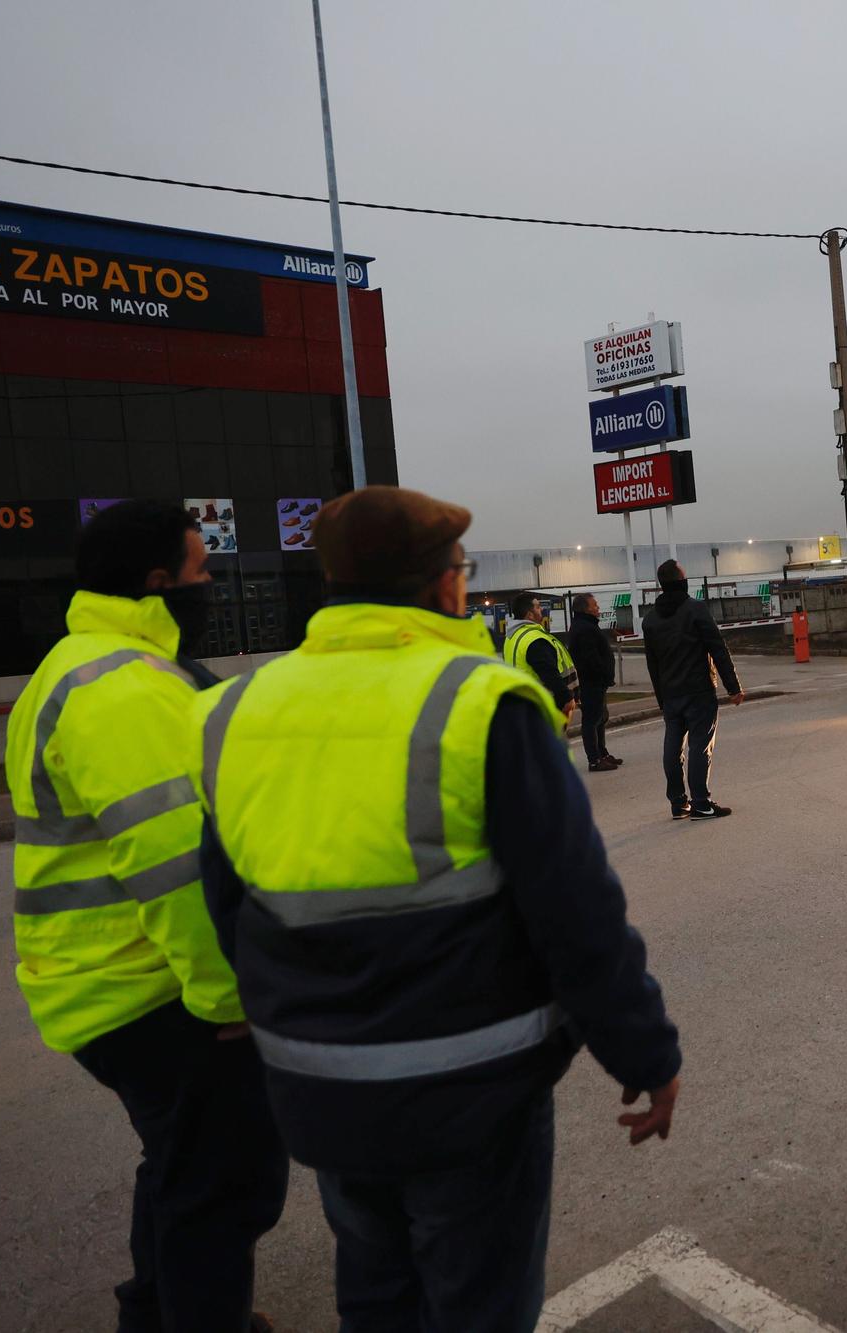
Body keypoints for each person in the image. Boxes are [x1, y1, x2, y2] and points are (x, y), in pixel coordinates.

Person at [192, 486, 681, 1333]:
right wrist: (645, 1051)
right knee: (477, 1307)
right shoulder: (478, 704)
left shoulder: (235, 709)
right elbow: (576, 914)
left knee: (378, 1297)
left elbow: (226, 896)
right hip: (470, 1096)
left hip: (320, 1087)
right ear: (442, 585)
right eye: (459, 569)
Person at [4, 499, 287, 1332]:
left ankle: (156, 1310)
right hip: (151, 988)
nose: (211, 587)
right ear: (159, 584)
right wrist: (227, 998)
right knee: (225, 1187)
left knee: (181, 1162)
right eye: (202, 572)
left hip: (101, 983)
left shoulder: (75, 663)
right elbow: (173, 868)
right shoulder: (122, 688)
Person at [641, 559, 743, 820]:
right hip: (698, 691)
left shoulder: (650, 620)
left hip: (671, 694)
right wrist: (733, 687)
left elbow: (652, 664)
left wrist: (661, 697)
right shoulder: (695, 609)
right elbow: (717, 648)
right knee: (700, 746)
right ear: (680, 581)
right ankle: (701, 803)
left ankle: (678, 803)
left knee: (672, 748)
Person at [501, 592, 576, 725]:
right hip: (541, 707)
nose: (541, 609)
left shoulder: (512, 637)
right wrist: (566, 698)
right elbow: (548, 671)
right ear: (529, 614)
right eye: (537, 607)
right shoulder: (534, 639)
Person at [568, 592, 621, 772]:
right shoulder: (584, 629)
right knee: (592, 720)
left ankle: (602, 753)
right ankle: (594, 759)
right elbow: (591, 659)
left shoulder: (587, 625)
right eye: (594, 605)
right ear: (586, 609)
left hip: (596, 682)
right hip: (590, 682)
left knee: (600, 718)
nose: (598, 607)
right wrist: (604, 673)